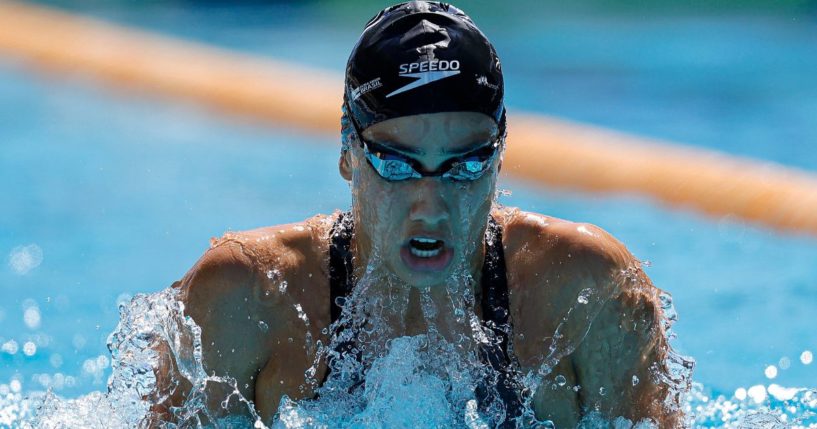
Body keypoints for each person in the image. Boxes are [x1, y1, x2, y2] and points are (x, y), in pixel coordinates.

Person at [152, 2, 688, 427]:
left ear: (501, 157)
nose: (431, 205)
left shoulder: (585, 293)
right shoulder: (247, 297)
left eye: (467, 163)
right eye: (396, 163)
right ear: (347, 152)